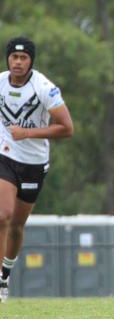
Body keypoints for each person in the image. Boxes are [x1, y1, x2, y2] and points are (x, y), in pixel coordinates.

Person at [0, 37, 74, 302]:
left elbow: (67, 128)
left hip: (33, 164)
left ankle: (5, 274)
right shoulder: (0, 82)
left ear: (31, 61)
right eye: (14, 57)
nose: (18, 62)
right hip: (4, 157)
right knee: (2, 215)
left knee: (17, 225)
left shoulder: (44, 88)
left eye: (23, 58)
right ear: (8, 59)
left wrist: (27, 133)